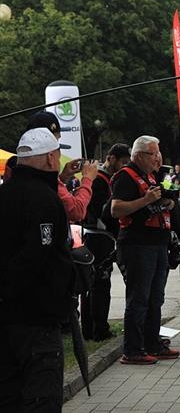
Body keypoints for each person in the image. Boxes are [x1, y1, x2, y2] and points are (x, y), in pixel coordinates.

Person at [0, 128, 74, 410]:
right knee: (41, 395)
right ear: (50, 158)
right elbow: (36, 255)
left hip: (7, 316)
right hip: (37, 316)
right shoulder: (44, 198)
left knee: (9, 393)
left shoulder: (5, 193)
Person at [111, 135, 179, 365]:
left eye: (158, 153)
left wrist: (167, 202)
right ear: (139, 155)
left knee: (155, 298)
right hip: (137, 245)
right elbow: (116, 209)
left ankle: (152, 344)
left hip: (157, 244)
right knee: (138, 299)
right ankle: (132, 350)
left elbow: (160, 200)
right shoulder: (125, 176)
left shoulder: (150, 175)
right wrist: (146, 200)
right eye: (153, 154)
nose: (157, 158)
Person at [80, 143, 131, 341]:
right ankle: (97, 329)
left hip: (103, 236)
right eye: (123, 162)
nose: (125, 166)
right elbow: (99, 211)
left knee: (98, 284)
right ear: (111, 158)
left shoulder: (110, 179)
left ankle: (94, 328)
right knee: (98, 284)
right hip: (97, 237)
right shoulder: (100, 180)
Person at [27, 111, 98, 222]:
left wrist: (63, 176)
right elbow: (76, 211)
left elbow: (47, 192)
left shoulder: (23, 170)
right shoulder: (43, 173)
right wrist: (87, 179)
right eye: (56, 141)